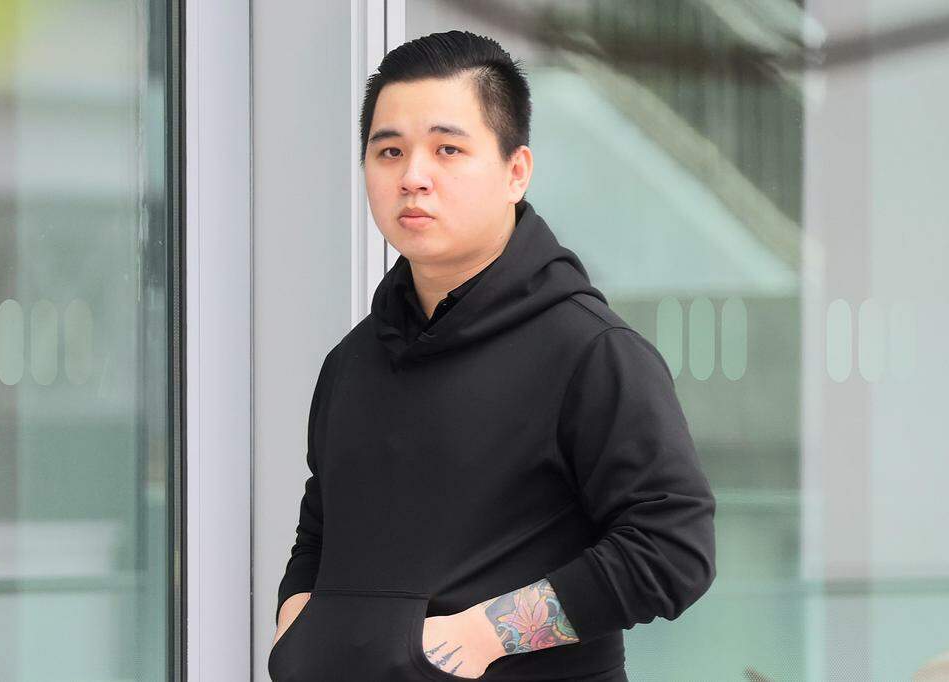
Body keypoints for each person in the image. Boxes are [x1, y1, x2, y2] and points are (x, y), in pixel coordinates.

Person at [269, 29, 716, 682]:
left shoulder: (591, 353)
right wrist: (298, 628)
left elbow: (672, 548)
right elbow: (321, 528)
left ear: (516, 171)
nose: (413, 177)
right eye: (389, 151)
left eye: (447, 149)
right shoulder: (351, 362)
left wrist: (486, 634)